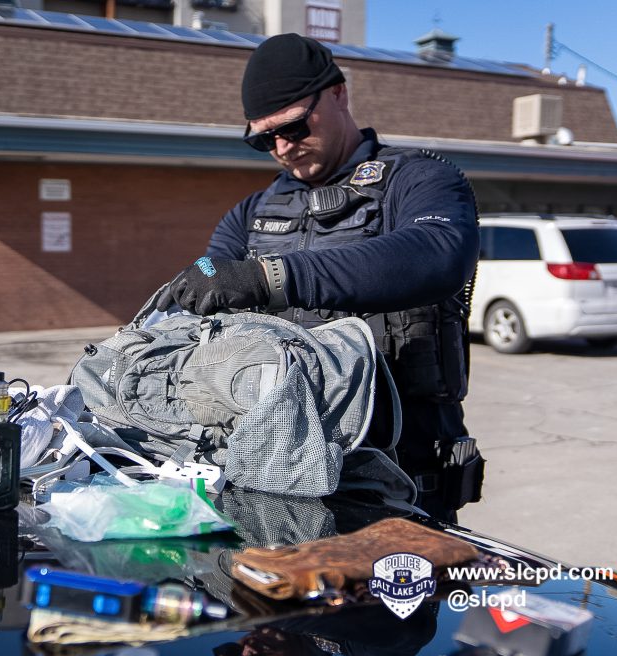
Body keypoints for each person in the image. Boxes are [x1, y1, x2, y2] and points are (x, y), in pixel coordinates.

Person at [157, 33, 483, 521]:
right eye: (264, 139)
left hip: (402, 483)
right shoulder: (250, 213)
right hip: (277, 477)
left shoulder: (418, 180)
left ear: (337, 94)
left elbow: (438, 253)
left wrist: (272, 276)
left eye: (292, 126)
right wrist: (202, 277)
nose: (283, 147)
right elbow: (209, 273)